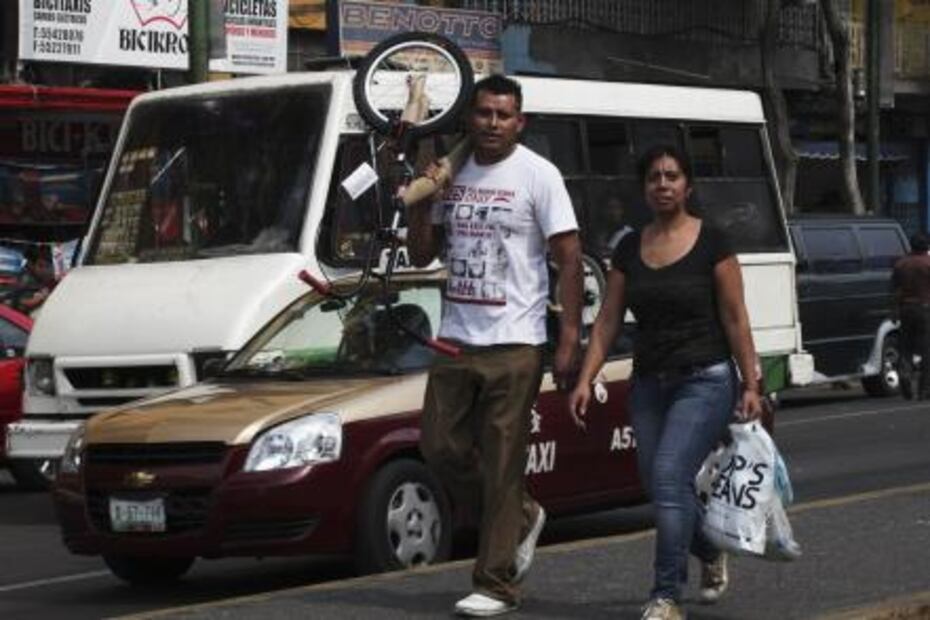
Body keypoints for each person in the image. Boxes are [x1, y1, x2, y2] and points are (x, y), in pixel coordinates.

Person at [406, 74, 583, 617]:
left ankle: (496, 582)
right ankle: (524, 515)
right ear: (470, 117)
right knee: (439, 448)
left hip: (516, 343)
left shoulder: (539, 175)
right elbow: (420, 255)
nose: (492, 124)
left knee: (505, 463)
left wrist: (570, 337)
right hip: (456, 338)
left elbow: (570, 258)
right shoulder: (450, 173)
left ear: (519, 121)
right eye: (483, 113)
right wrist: (418, 195)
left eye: (503, 115)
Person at [568, 145, 763, 620]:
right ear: (644, 188)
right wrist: (585, 376)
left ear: (687, 185)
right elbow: (610, 318)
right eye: (654, 177)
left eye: (672, 176)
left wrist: (751, 382)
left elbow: (735, 317)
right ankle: (711, 548)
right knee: (662, 486)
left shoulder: (713, 241)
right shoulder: (630, 247)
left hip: (706, 379)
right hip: (649, 382)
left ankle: (665, 595)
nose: (662, 184)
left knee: (670, 475)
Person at [891, 232, 930, 400]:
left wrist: (893, 312)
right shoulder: (928, 263)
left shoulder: (900, 264)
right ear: (927, 246)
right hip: (925, 309)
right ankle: (925, 389)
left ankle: (905, 377)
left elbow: (894, 290)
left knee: (905, 348)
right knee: (927, 350)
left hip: (905, 308)